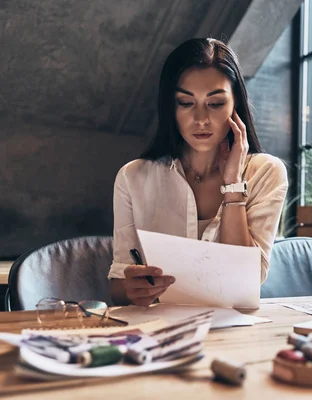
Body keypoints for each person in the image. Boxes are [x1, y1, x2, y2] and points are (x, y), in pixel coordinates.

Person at [108, 38, 288, 306]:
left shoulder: (266, 172)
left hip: (237, 333)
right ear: (171, 106)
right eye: (185, 103)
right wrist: (132, 288)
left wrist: (233, 186)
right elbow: (118, 285)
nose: (201, 119)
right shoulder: (133, 177)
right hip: (161, 330)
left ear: (235, 104)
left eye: (215, 104)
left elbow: (247, 283)